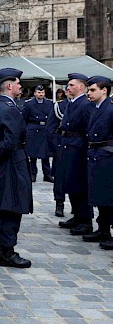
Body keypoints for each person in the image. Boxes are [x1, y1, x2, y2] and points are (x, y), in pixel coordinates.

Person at [0, 68, 33, 269]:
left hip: (0, 165)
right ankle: (7, 251)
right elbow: (9, 142)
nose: (20, 87)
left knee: (0, 208)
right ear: (9, 86)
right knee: (11, 206)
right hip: (12, 163)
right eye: (17, 83)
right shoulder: (10, 109)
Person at [57, 73, 95, 235]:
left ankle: (85, 220)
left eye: (72, 85)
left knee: (80, 185)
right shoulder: (71, 103)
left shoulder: (85, 104)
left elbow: (89, 128)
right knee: (71, 183)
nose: (68, 87)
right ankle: (77, 216)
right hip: (68, 146)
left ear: (80, 86)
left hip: (79, 147)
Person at [83, 76, 113, 249]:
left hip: (107, 156)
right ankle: (102, 229)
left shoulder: (109, 108)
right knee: (99, 195)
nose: (89, 93)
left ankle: (108, 232)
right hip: (96, 154)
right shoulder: (95, 108)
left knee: (108, 196)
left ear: (104, 90)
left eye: (93, 89)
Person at [22, 85, 54, 182]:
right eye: (39, 92)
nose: (41, 94)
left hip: (45, 129)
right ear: (35, 93)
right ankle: (33, 174)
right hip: (33, 129)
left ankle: (47, 174)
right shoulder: (29, 104)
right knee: (33, 155)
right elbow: (24, 118)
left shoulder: (49, 103)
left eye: (42, 92)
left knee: (45, 155)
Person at [48, 85, 71, 217]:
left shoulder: (85, 105)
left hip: (76, 147)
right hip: (61, 145)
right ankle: (59, 203)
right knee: (59, 178)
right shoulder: (59, 106)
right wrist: (56, 146)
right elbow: (50, 128)